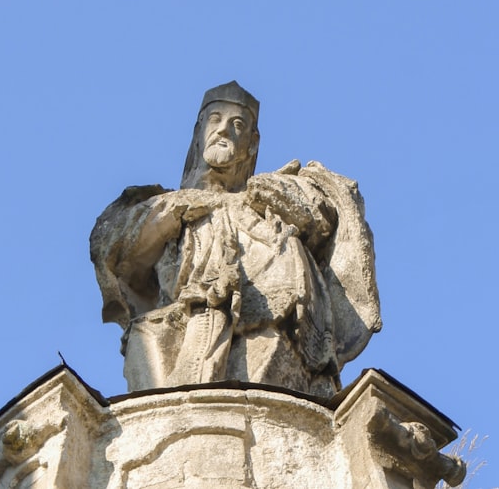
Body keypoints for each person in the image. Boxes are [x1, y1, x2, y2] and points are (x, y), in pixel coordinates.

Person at [90, 81, 381, 397]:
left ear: (252, 144)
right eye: (215, 119)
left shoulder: (269, 195)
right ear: (199, 132)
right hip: (183, 325)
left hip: (268, 323)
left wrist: (277, 194)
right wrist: (178, 210)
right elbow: (121, 254)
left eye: (237, 124)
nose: (223, 130)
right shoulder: (165, 205)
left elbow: (320, 218)